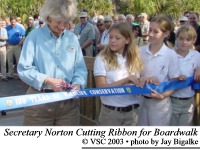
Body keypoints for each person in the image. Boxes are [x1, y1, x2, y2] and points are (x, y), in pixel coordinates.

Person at [17, 0, 87, 126]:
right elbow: (24, 69)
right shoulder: (34, 36)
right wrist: (48, 80)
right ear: (48, 18)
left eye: (65, 22)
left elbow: (80, 68)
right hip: (38, 104)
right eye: (58, 22)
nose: (62, 26)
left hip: (68, 105)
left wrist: (78, 84)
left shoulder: (72, 39)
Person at [94, 22, 143, 126]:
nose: (112, 41)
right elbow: (100, 88)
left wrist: (145, 81)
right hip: (111, 114)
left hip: (132, 113)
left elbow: (139, 81)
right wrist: (125, 80)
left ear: (127, 40)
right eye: (110, 37)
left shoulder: (135, 58)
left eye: (117, 38)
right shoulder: (102, 58)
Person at [138, 16, 180, 126]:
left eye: (156, 31)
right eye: (150, 30)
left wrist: (163, 95)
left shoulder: (171, 55)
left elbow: (175, 82)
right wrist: (140, 78)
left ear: (166, 34)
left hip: (160, 105)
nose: (151, 34)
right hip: (141, 100)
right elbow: (134, 74)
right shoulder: (140, 51)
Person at [170, 25, 200, 126]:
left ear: (193, 40)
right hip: (172, 99)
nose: (184, 42)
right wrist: (176, 77)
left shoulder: (196, 55)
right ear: (176, 38)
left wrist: (199, 69)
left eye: (188, 39)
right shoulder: (170, 54)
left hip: (189, 100)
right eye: (181, 38)